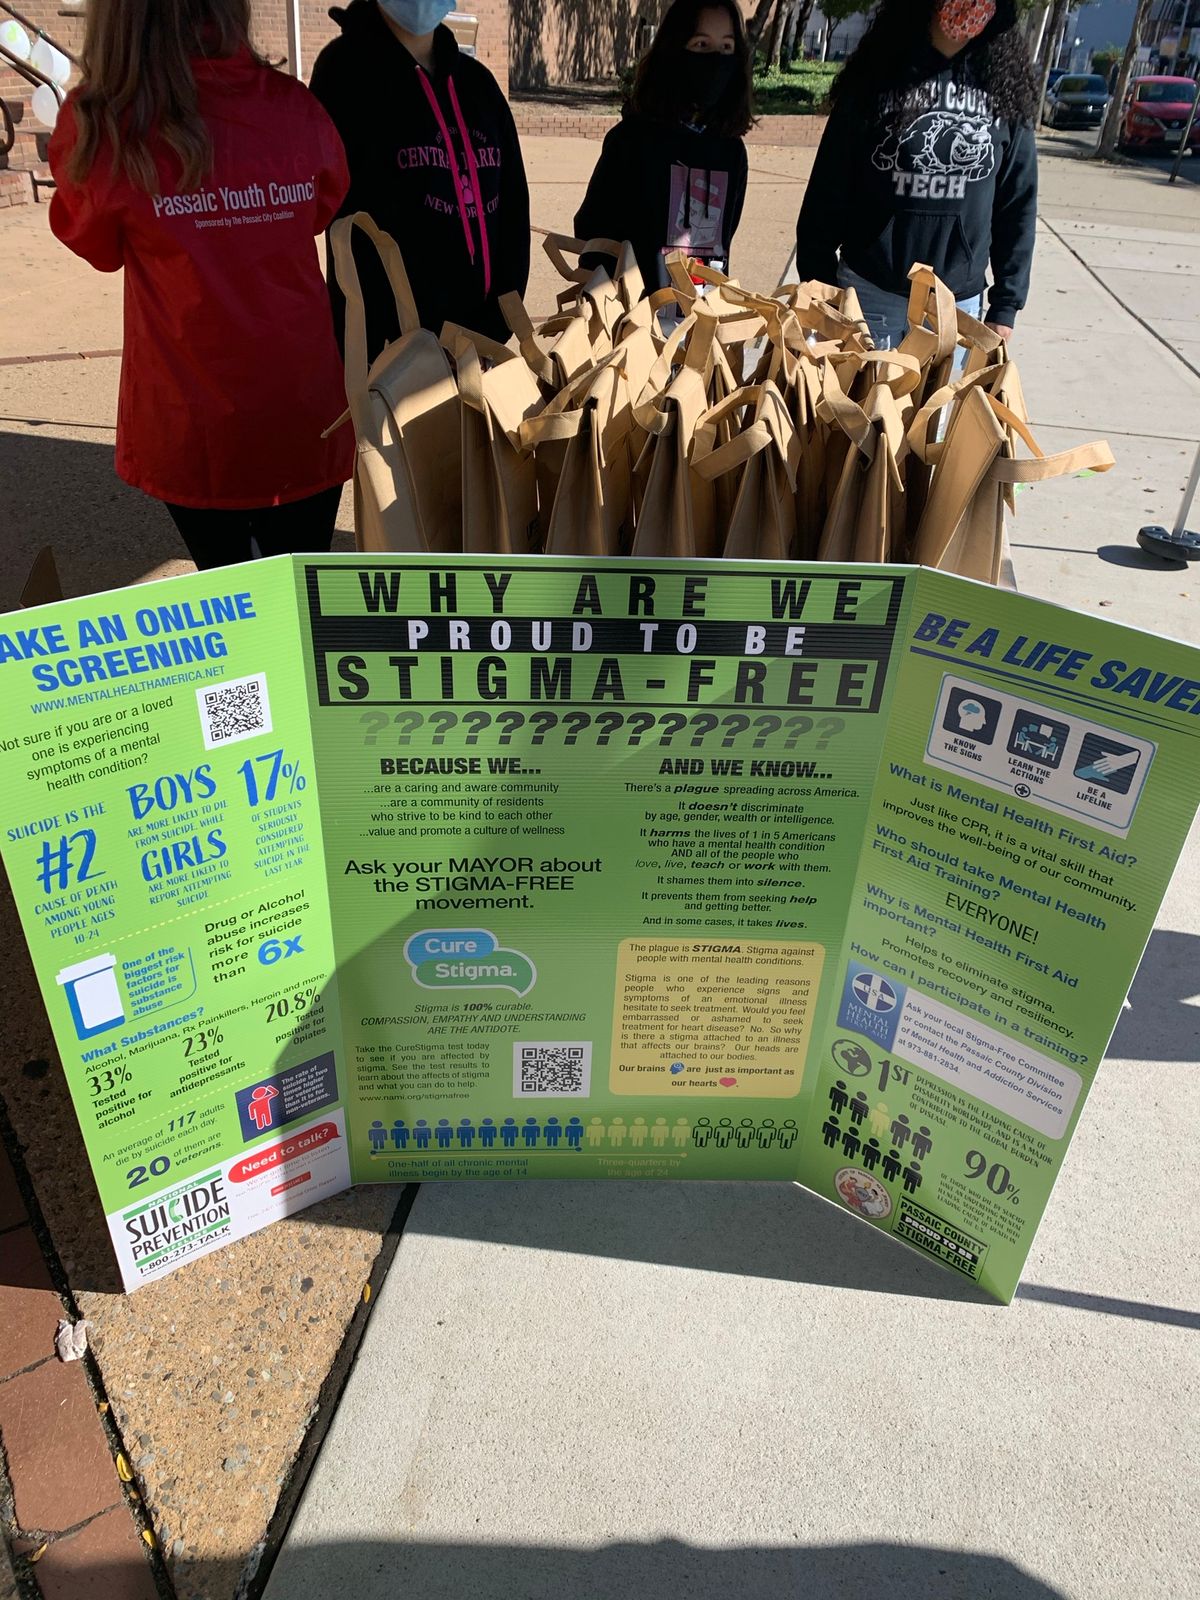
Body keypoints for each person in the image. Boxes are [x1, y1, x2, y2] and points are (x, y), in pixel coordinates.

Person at [47, 0, 353, 570]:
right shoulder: (295, 108)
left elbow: (94, 244)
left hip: (191, 423)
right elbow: (322, 207)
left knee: (229, 593)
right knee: (303, 581)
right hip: (303, 409)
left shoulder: (105, 126)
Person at [794, 0, 1038, 348]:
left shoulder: (1005, 86)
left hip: (956, 308)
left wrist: (1006, 304)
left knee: (942, 391)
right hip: (870, 296)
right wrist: (818, 282)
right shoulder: (876, 77)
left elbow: (1017, 204)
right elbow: (828, 188)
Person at [310, 1, 530, 358]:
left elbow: (513, 206)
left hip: (478, 342)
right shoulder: (344, 75)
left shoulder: (478, 85)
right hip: (387, 354)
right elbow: (327, 206)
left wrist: (500, 316)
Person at [573, 0, 752, 292]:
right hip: (633, 311)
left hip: (702, 310)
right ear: (674, 51)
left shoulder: (731, 153)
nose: (716, 60)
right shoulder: (631, 141)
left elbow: (725, 235)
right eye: (701, 44)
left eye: (726, 47)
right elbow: (593, 232)